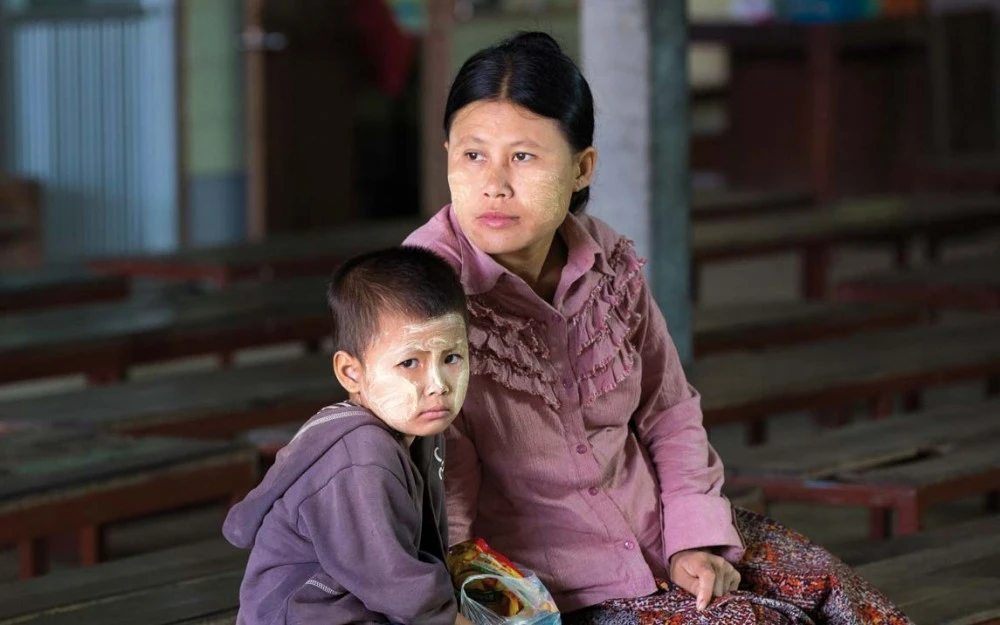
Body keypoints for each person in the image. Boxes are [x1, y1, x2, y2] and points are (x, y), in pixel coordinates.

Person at [404, 32, 912, 625]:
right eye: (472, 154)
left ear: (580, 169)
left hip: (657, 530)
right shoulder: (422, 296)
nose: (493, 183)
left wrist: (694, 537)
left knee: (844, 599)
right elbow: (441, 493)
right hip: (547, 591)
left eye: (523, 156)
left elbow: (669, 410)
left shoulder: (609, 262)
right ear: (446, 156)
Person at [223, 246, 474, 625]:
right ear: (351, 373)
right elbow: (395, 582)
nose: (437, 385)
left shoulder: (418, 424)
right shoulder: (361, 456)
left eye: (452, 358)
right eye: (410, 363)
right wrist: (450, 617)